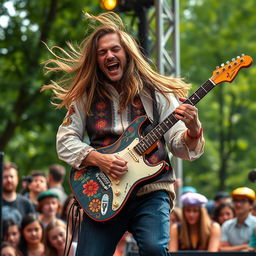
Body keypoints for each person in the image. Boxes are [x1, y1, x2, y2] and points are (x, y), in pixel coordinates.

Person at [42, 12, 205, 256]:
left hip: (151, 190)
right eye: (102, 52)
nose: (109, 55)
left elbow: (181, 147)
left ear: (127, 52)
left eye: (114, 49)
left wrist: (193, 128)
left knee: (153, 249)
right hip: (102, 193)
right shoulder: (84, 96)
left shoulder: (157, 91)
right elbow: (64, 142)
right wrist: (99, 159)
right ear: (96, 60)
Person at [220, 186, 256, 251]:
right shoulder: (227, 225)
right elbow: (221, 249)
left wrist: (231, 248)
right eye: (236, 200)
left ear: (251, 205)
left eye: (243, 201)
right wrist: (245, 246)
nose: (238, 204)